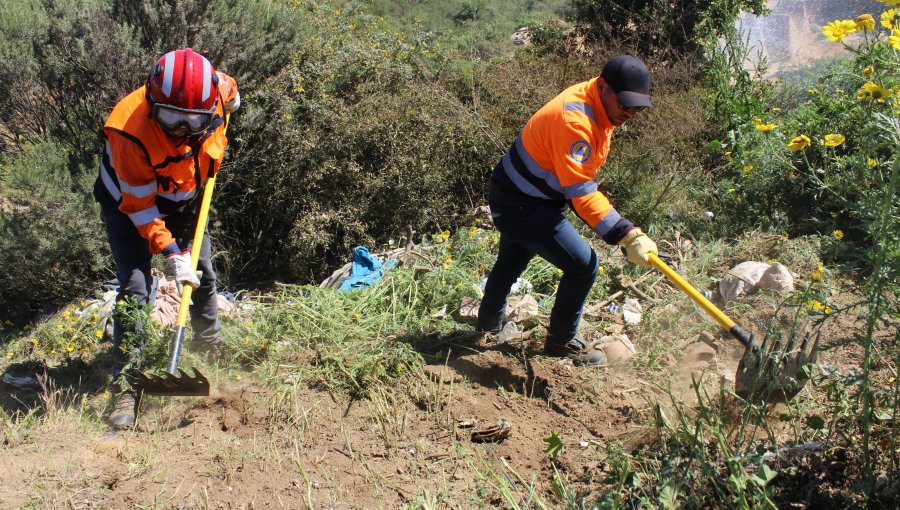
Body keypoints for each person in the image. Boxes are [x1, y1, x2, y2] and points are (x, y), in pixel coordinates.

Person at [477, 55, 658, 366]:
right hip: (521, 202)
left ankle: (486, 327)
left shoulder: (599, 104)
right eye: (625, 104)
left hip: (519, 194)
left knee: (511, 260)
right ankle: (561, 341)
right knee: (583, 266)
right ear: (603, 86)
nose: (630, 113)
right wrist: (627, 234)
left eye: (637, 107)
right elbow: (582, 194)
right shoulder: (576, 121)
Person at [93, 48, 240, 428]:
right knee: (135, 285)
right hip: (129, 206)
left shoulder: (217, 92)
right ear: (152, 100)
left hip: (186, 200)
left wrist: (189, 244)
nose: (181, 130)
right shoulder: (128, 129)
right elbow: (140, 207)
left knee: (202, 271)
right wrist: (172, 253)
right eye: (171, 118)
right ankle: (127, 384)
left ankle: (209, 346)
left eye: (192, 120)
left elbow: (232, 93)